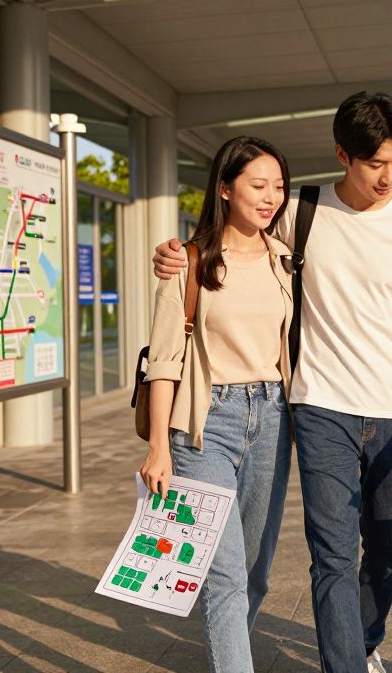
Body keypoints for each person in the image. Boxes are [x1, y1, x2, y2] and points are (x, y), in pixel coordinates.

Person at [152, 92, 392, 673]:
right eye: (374, 164)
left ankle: (362, 643)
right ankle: (345, 666)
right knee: (332, 556)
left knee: (387, 553)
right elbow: (231, 233)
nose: (387, 176)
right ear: (343, 154)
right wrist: (172, 254)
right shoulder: (299, 210)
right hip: (317, 407)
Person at [138, 136, 295, 673]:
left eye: (278, 186)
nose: (270, 197)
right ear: (225, 189)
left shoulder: (285, 262)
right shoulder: (187, 262)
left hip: (274, 418)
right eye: (258, 185)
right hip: (206, 425)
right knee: (224, 574)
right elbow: (163, 361)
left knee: (255, 572)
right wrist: (160, 447)